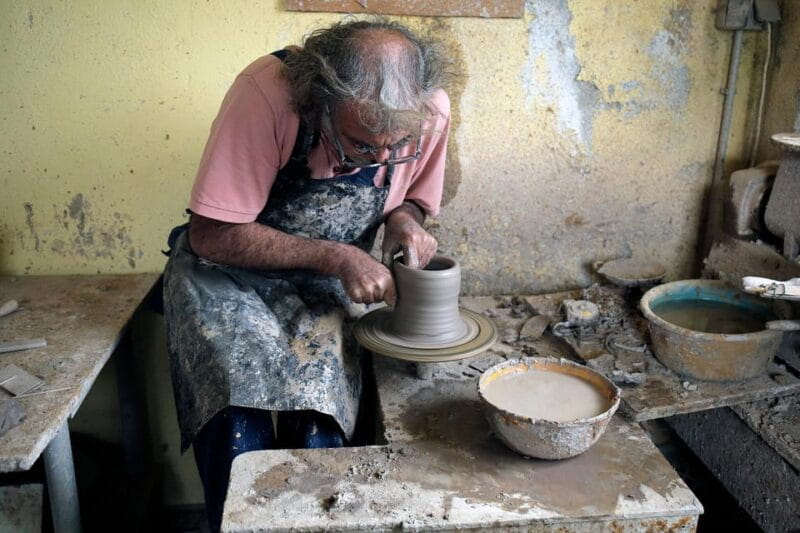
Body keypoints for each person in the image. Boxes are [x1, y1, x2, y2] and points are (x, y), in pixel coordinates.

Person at [162, 19, 451, 531]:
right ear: (323, 100)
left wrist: (405, 220)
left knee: (322, 416)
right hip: (225, 273)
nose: (380, 159)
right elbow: (213, 232)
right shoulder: (267, 94)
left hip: (322, 280)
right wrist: (338, 257)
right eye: (362, 147)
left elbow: (409, 199)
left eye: (396, 146)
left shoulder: (430, 109)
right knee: (239, 419)